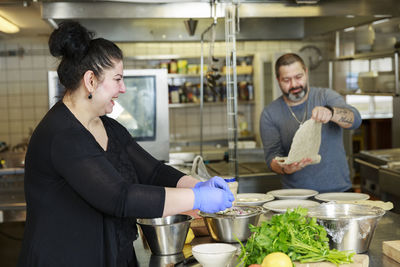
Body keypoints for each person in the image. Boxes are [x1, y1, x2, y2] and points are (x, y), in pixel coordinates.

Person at [18, 21, 234, 267]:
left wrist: (197, 184)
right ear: (90, 81)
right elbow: (119, 197)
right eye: (118, 79)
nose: (123, 88)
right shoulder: (62, 135)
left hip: (114, 254)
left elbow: (153, 171)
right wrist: (196, 199)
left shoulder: (108, 127)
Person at [260, 53, 362, 193]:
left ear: (306, 72)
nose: (294, 84)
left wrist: (331, 112)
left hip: (338, 192)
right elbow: (272, 157)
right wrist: (284, 167)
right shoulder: (270, 113)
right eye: (286, 80)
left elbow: (355, 120)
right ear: (278, 80)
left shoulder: (325, 96)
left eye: (298, 77)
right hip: (296, 196)